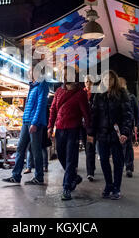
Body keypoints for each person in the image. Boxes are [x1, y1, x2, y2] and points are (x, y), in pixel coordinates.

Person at [3, 59, 49, 185]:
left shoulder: (42, 85)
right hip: (26, 121)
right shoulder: (32, 85)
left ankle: (39, 177)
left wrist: (34, 123)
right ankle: (16, 175)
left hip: (35, 123)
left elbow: (40, 106)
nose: (29, 72)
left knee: (36, 150)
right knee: (20, 148)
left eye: (31, 70)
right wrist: (24, 119)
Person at [47, 66, 91, 200]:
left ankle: (66, 187)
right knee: (60, 155)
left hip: (73, 129)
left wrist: (89, 132)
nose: (65, 77)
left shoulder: (81, 93)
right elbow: (53, 109)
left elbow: (86, 113)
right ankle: (74, 177)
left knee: (71, 157)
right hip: (60, 128)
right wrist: (50, 126)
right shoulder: (59, 91)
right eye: (63, 74)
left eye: (67, 74)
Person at [90, 70, 133, 200]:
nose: (107, 81)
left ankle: (116, 188)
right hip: (102, 134)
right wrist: (91, 133)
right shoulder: (98, 95)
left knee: (118, 162)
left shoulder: (122, 94)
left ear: (114, 80)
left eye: (110, 79)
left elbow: (127, 115)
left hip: (117, 134)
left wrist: (125, 132)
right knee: (103, 160)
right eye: (105, 79)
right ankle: (108, 185)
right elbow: (94, 115)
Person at [119, 77, 138, 178]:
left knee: (128, 147)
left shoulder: (131, 97)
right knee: (121, 147)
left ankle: (129, 167)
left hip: (128, 126)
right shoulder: (115, 97)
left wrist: (136, 125)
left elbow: (136, 112)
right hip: (118, 127)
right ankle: (123, 167)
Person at [84, 75, 96, 181]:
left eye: (89, 81)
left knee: (90, 148)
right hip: (82, 126)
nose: (88, 83)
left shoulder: (96, 94)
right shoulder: (82, 94)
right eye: (86, 81)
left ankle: (90, 172)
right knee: (87, 148)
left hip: (92, 126)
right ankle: (91, 168)